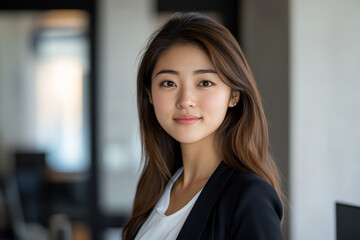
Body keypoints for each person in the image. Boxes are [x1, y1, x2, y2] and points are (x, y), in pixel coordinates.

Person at [122, 12, 284, 240]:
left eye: (205, 82)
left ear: (234, 95)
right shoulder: (156, 187)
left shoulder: (249, 197)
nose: (185, 100)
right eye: (169, 83)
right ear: (149, 94)